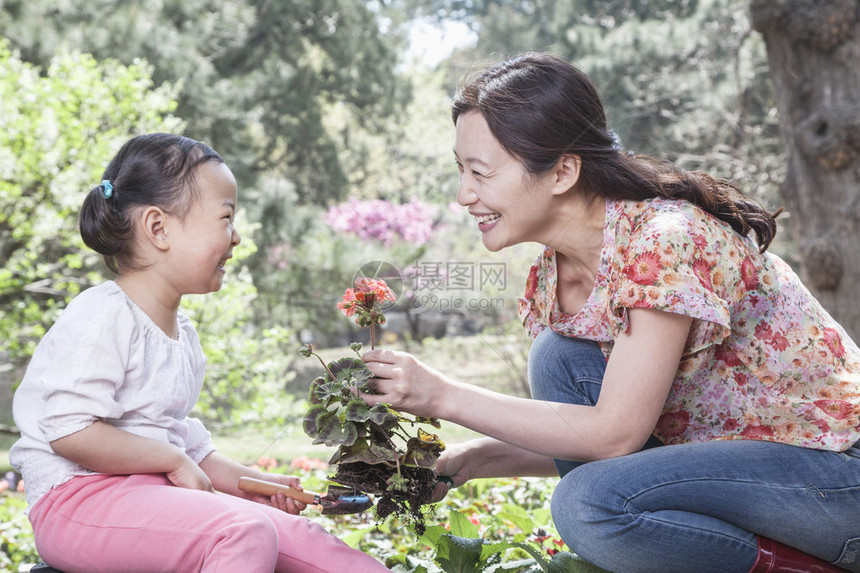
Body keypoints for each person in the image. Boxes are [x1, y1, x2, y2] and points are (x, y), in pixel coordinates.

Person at [360, 53, 860, 572]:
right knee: (558, 357)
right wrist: (473, 460)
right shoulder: (560, 278)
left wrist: (440, 395)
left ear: (563, 171)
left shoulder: (664, 241)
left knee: (588, 505)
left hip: (841, 478)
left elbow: (614, 435)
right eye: (461, 170)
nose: (464, 195)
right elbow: (617, 444)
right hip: (760, 480)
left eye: (481, 172)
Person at [9, 133, 388, 573]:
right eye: (226, 218)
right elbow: (71, 431)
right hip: (78, 501)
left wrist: (254, 483)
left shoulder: (182, 333)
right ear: (158, 228)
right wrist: (172, 460)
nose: (238, 237)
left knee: (318, 548)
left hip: (151, 496)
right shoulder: (102, 313)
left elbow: (183, 442)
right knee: (243, 532)